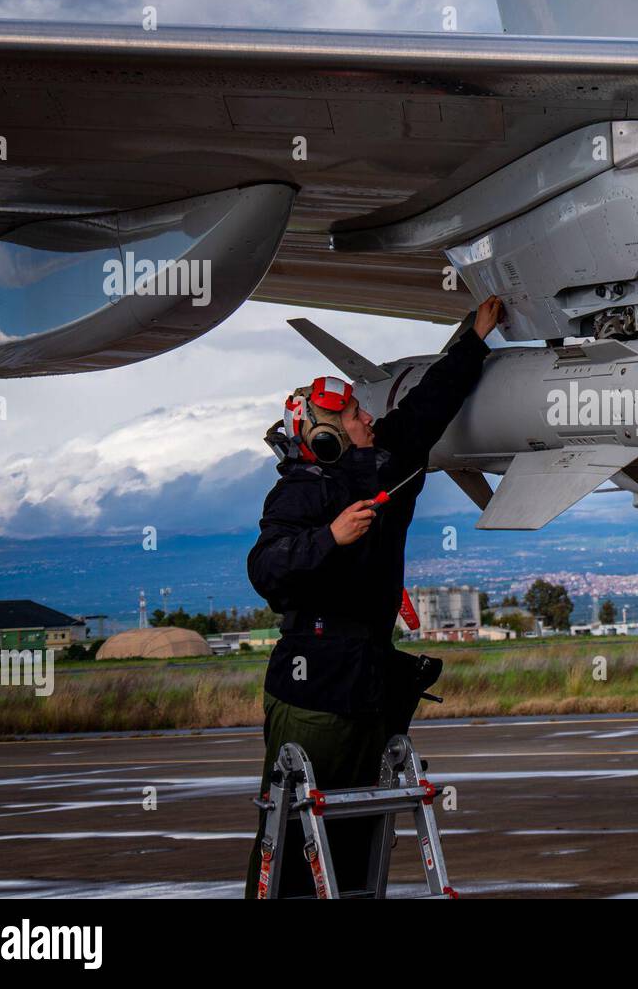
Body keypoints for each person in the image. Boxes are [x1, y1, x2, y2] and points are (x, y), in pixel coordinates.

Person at [242, 295, 503, 898]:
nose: (368, 417)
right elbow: (267, 569)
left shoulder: (386, 463)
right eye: (357, 413)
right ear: (330, 437)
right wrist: (329, 539)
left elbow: (429, 406)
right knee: (292, 836)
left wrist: (474, 337)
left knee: (358, 830)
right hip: (313, 691)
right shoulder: (298, 496)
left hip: (366, 686)